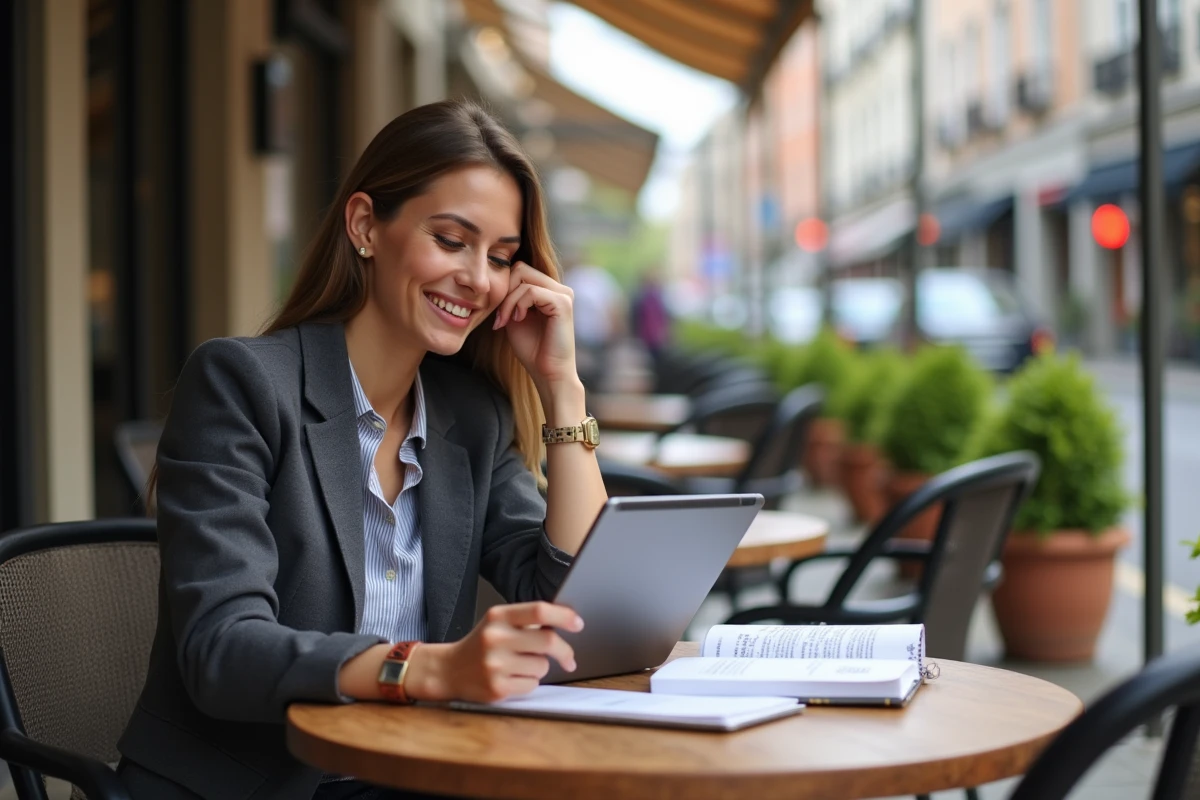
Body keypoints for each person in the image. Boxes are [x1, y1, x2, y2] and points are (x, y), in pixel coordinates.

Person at [116, 100, 608, 800]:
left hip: (411, 774)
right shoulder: (243, 385)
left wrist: (562, 389)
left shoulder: (471, 416)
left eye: (500, 257)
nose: (478, 278)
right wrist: (425, 669)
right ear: (365, 226)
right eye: (450, 240)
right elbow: (221, 649)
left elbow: (570, 604)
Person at [561, 262, 622, 389]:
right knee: (593, 371)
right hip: (589, 336)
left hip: (589, 336)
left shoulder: (575, 279)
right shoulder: (601, 279)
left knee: (590, 371)